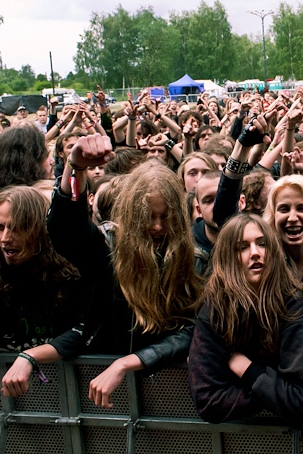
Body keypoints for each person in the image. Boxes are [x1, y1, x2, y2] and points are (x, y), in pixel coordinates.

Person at [49, 134, 203, 408]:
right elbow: (66, 230)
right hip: (103, 387)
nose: (157, 226)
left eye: (165, 216)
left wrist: (131, 362)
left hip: (170, 387)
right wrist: (75, 167)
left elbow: (194, 328)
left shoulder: (194, 259)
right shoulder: (109, 248)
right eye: (148, 217)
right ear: (132, 214)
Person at [0, 186, 89, 403]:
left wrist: (30, 356)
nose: (6, 238)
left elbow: (83, 332)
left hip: (73, 395)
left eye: (17, 228)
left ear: (39, 229)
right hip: (13, 403)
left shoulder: (72, 275)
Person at [188, 214, 303, 423]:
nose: (255, 253)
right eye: (242, 247)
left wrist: (248, 371)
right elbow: (208, 403)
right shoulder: (215, 309)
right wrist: (274, 390)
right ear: (228, 256)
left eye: (262, 244)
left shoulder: (292, 302)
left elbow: (301, 399)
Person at [262, 175, 303, 281]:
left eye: (301, 209)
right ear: (273, 216)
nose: (292, 218)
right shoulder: (264, 261)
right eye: (284, 209)